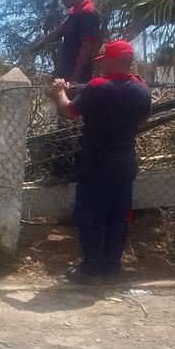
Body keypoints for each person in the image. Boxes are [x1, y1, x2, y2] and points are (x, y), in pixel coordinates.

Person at [50, 39, 151, 286]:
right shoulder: (142, 91)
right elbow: (143, 118)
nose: (103, 65)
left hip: (97, 164)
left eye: (106, 60)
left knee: (90, 216)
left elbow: (69, 111)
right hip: (126, 162)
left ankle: (91, 269)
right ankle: (111, 267)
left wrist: (60, 91)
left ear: (115, 61)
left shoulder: (98, 87)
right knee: (119, 217)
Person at [28, 0, 101, 84]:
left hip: (78, 79)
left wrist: (74, 79)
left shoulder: (88, 13)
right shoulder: (75, 12)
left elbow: (87, 47)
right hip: (66, 74)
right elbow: (57, 33)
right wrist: (32, 49)